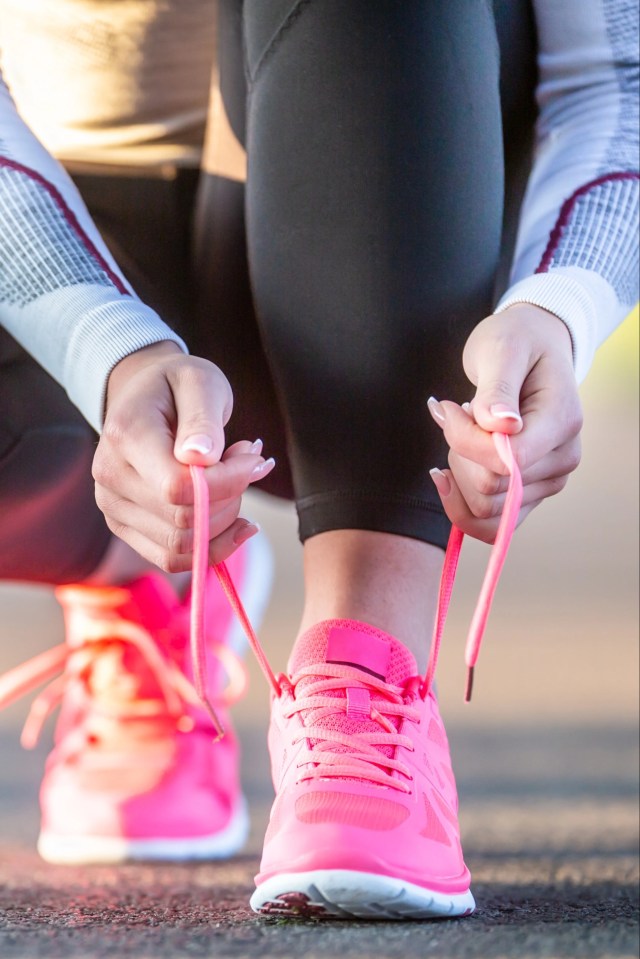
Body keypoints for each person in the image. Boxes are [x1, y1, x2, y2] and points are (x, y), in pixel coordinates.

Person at [0, 0, 637, 919]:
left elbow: (620, 79)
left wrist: (560, 308)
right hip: (61, 256)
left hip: (399, 198)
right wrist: (107, 352)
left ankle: (364, 668)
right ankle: (145, 583)